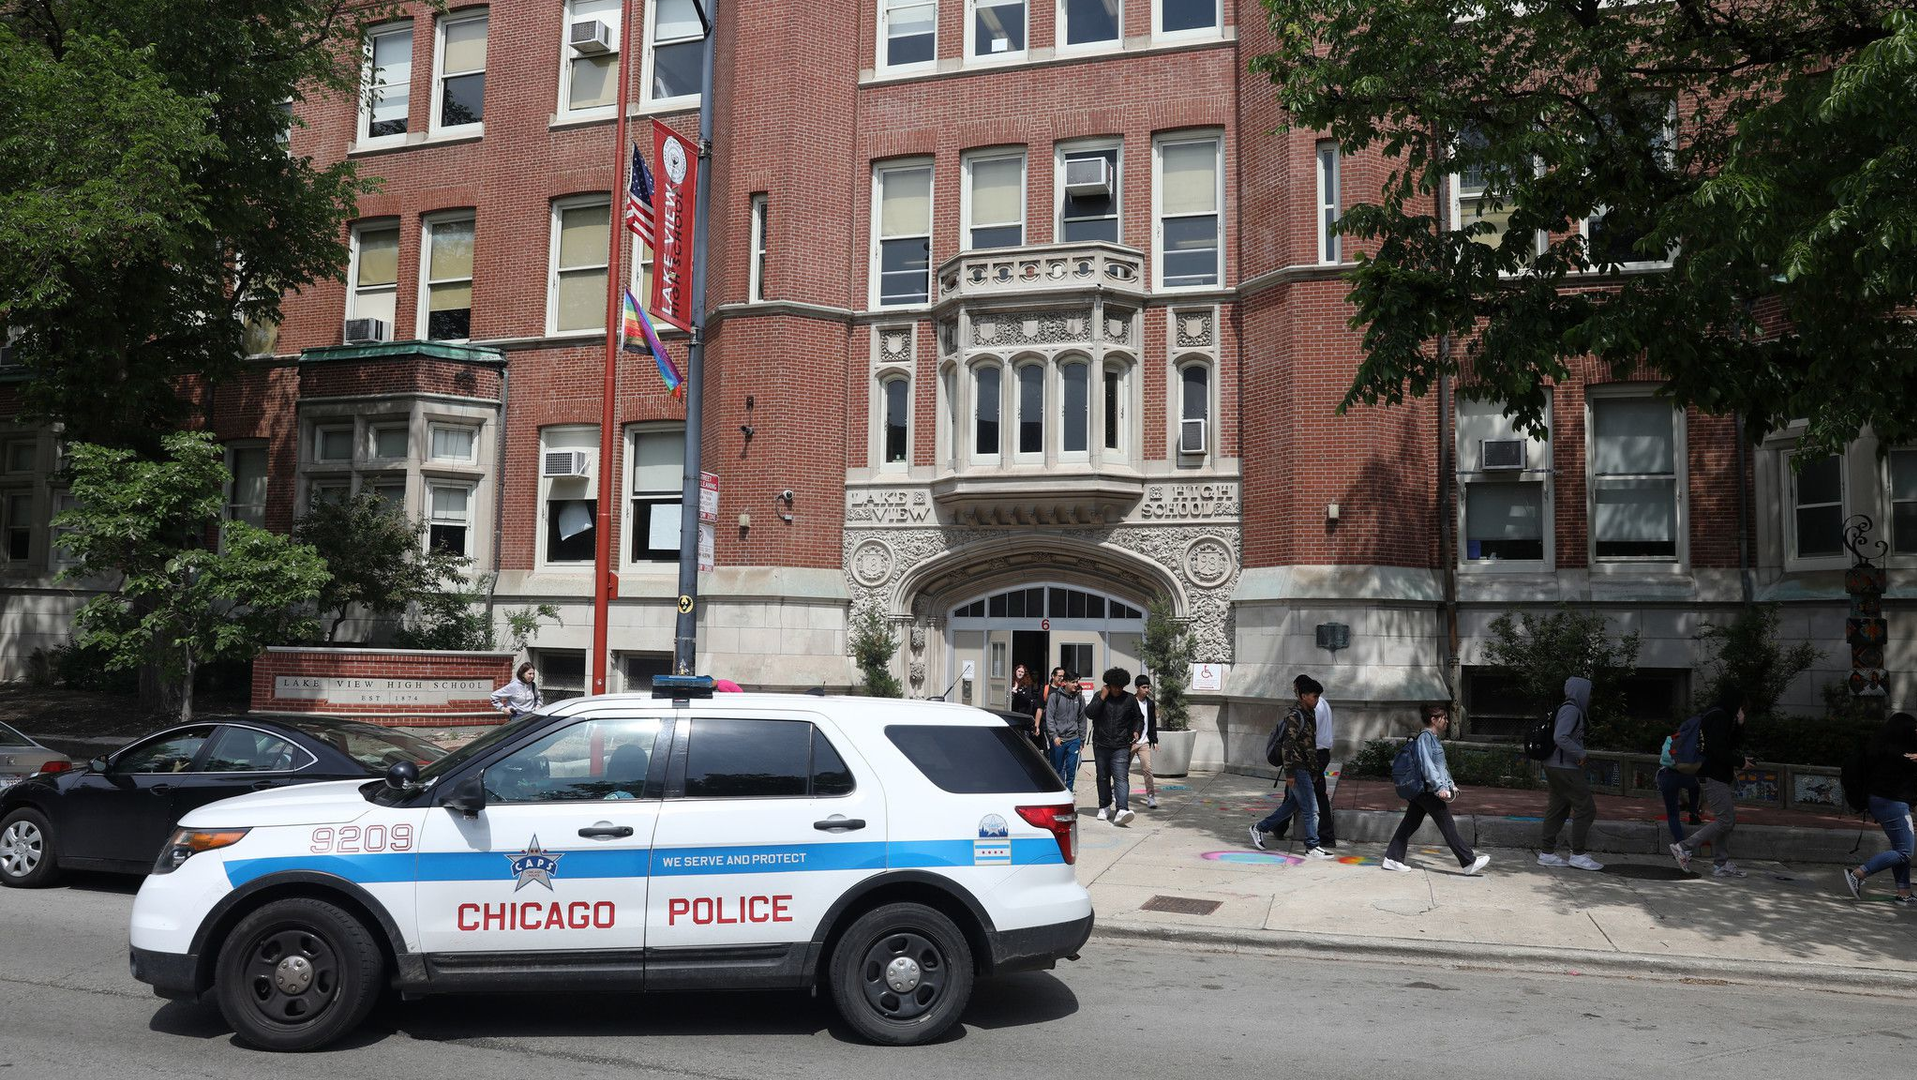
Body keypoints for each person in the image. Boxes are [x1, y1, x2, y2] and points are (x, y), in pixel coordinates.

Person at [1382, 704, 1491, 875]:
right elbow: (1427, 765)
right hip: (1428, 791)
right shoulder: (1425, 738)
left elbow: (1441, 766)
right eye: (1444, 718)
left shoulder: (1433, 738)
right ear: (1433, 720)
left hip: (1425, 791)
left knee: (1410, 824)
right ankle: (1468, 861)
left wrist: (1450, 784)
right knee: (1447, 825)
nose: (1447, 721)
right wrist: (1439, 787)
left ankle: (1392, 858)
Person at [1670, 689, 1752, 878]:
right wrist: (1740, 762)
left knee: (1727, 820)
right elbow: (1719, 750)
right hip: (1715, 776)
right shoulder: (1720, 718)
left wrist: (1739, 725)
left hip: (1715, 775)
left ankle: (1721, 863)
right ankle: (1684, 847)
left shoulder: (1715, 714)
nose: (1742, 711)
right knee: (1725, 820)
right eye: (1742, 707)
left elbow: (1726, 745)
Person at [1840, 711, 1917, 904]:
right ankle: (1858, 874)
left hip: (1879, 801)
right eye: (1914, 729)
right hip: (1894, 804)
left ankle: (1904, 893)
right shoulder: (1905, 754)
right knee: (1905, 851)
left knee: (1899, 848)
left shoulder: (1883, 747)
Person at [1249, 683, 1333, 859]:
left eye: (1318, 697)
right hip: (1297, 767)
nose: (1317, 700)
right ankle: (1312, 846)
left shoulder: (1309, 714)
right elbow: (1287, 746)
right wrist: (1290, 773)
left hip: (1307, 768)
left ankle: (1259, 828)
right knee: (1311, 808)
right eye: (1314, 696)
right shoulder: (1296, 716)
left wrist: (1315, 770)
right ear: (1303, 696)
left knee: (1291, 805)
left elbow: (1309, 746)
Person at [1537, 676, 1604, 871]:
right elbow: (1560, 737)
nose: (1589, 697)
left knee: (1558, 808)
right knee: (1586, 808)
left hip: (1556, 765)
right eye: (1588, 692)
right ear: (1580, 692)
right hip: (1565, 767)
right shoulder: (1572, 710)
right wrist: (1581, 753)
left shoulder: (1566, 708)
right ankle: (1578, 855)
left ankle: (1547, 853)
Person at [1085, 666, 1144, 826]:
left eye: (1120, 687)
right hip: (1101, 744)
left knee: (1121, 777)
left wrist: (1136, 731)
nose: (1117, 690)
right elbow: (1089, 713)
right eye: (1114, 686)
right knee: (1103, 777)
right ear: (1108, 685)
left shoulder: (1129, 699)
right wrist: (1102, 698)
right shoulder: (1100, 696)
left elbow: (1139, 718)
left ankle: (1122, 810)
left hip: (1121, 745)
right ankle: (1104, 806)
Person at [1655, 727, 1703, 844]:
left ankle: (1680, 843)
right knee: (1695, 787)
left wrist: (1675, 760)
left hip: (1669, 774)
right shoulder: (1694, 742)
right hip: (1687, 774)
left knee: (1672, 814)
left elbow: (1665, 757)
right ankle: (1693, 812)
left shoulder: (1671, 739)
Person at [1044, 669, 1086, 797]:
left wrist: (1082, 739)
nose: (1075, 685)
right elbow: (1049, 718)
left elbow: (1082, 719)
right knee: (1058, 768)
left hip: (1074, 739)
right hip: (1059, 739)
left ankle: (1069, 792)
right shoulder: (1054, 697)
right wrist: (1054, 736)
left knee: (1071, 768)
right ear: (1065, 682)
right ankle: (1059, 793)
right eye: (1073, 682)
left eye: (1077, 682)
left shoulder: (1079, 698)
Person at [1133, 674, 1160, 809]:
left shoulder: (1150, 703)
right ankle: (1115, 790)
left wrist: (1154, 740)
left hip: (1144, 741)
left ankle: (1151, 797)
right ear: (1137, 688)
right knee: (1122, 768)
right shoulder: (1130, 701)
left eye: (1148, 687)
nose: (1147, 690)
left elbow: (1152, 723)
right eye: (1144, 687)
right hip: (1131, 743)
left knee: (1147, 769)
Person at [1011, 664, 1045, 754]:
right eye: (1019, 671)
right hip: (1011, 713)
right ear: (1015, 671)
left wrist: (1017, 692)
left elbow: (1027, 698)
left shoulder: (1027, 685)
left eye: (1022, 672)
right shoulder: (1010, 682)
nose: (1020, 673)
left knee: (1023, 739)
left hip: (1022, 715)